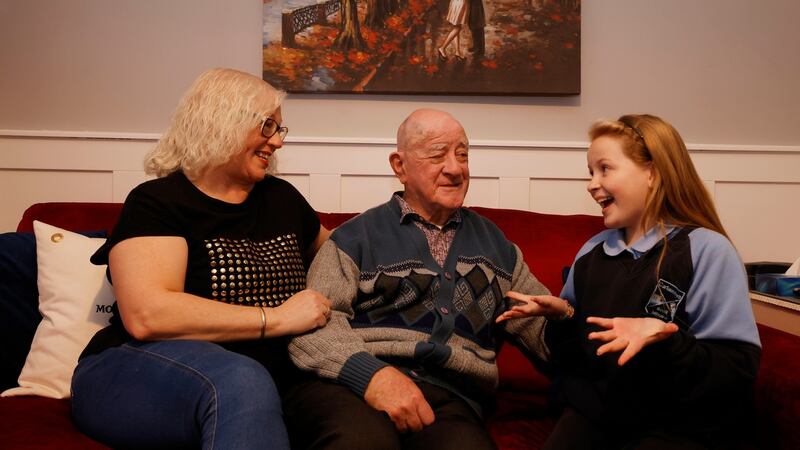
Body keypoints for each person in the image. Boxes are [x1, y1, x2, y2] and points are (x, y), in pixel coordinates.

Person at [70, 68, 333, 450]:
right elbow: (149, 315)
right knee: (242, 378)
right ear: (224, 122)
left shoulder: (282, 199)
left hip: (261, 378)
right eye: (267, 126)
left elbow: (340, 256)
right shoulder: (158, 201)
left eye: (280, 129)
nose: (277, 142)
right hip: (136, 368)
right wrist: (276, 318)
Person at [284, 108, 567, 450]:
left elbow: (547, 340)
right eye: (437, 154)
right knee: (363, 442)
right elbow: (313, 327)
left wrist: (565, 319)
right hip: (354, 385)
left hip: (451, 400)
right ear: (399, 166)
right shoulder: (354, 239)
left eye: (462, 155)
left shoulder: (499, 249)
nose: (455, 168)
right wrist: (371, 375)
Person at [496, 114, 762, 449]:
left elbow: (736, 371)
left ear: (652, 172)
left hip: (680, 425)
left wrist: (666, 341)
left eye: (604, 169)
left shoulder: (707, 250)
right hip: (598, 415)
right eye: (591, 172)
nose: (592, 183)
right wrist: (563, 317)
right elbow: (574, 360)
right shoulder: (592, 252)